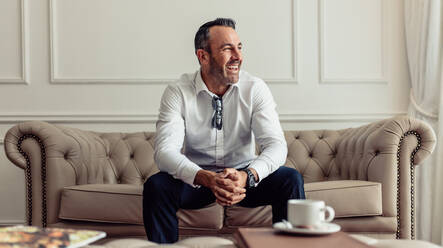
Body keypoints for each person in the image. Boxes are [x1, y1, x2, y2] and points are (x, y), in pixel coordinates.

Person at [143, 18, 305, 243]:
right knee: (157, 186)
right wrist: (206, 178)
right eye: (227, 49)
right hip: (197, 179)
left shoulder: (255, 88)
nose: (238, 57)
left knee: (291, 179)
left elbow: (276, 145)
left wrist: (247, 175)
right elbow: (164, 153)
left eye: (239, 47)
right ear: (203, 56)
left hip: (243, 178)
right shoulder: (177, 92)